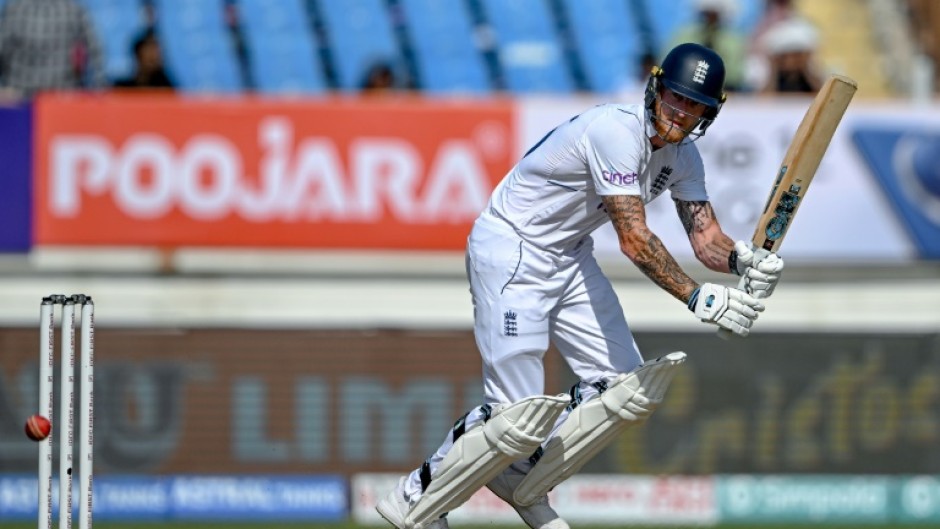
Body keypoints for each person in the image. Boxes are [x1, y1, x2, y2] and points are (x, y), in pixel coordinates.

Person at [375, 43, 784, 529]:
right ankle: (415, 498)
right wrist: (697, 296)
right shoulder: (615, 132)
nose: (681, 112)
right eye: (675, 97)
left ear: (709, 113)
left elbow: (706, 238)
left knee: (627, 391)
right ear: (655, 89)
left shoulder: (685, 157)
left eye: (695, 105)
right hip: (514, 247)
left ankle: (523, 481)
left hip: (569, 255)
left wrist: (741, 260)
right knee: (516, 416)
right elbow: (634, 239)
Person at [0, 0, 105, 99]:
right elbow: (96, 51)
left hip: (60, 96)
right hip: (23, 96)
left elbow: (94, 50)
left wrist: (98, 92)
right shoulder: (73, 8)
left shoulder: (14, 8)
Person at [668, 0, 748, 91]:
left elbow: (735, 75)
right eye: (707, 13)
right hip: (685, 87)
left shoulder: (732, 39)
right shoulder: (686, 34)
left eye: (714, 14)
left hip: (723, 90)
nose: (710, 18)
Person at [757, 17, 824, 94]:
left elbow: (821, 93)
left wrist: (806, 67)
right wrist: (773, 70)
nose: (791, 60)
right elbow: (763, 100)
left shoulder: (811, 75)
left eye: (796, 55)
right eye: (785, 56)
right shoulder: (773, 75)